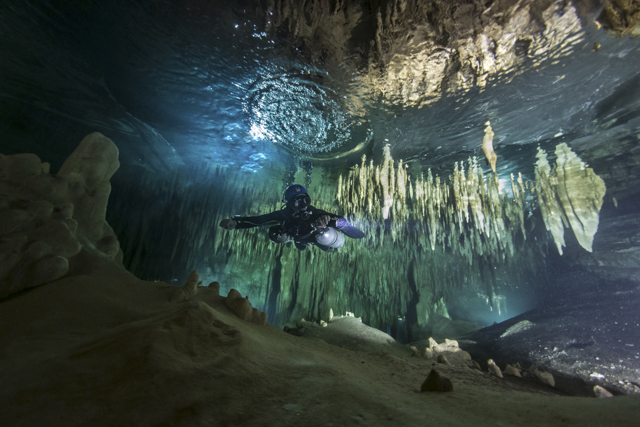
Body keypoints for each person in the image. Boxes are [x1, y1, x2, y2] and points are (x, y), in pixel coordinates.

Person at [219, 184, 365, 252]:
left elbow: (337, 219)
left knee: (324, 243)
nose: (303, 204)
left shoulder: (314, 213)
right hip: (297, 238)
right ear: (289, 204)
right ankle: (300, 242)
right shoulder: (282, 216)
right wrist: (236, 223)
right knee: (294, 243)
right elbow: (258, 221)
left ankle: (320, 239)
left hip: (315, 237)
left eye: (305, 200)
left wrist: (340, 224)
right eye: (297, 200)